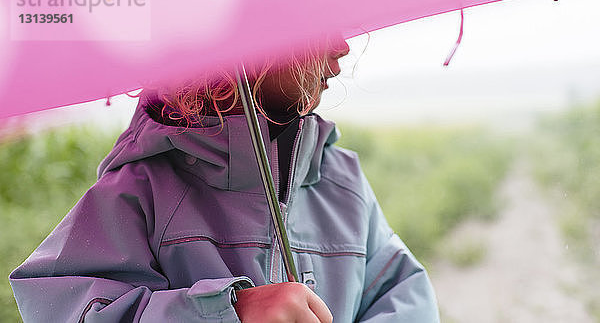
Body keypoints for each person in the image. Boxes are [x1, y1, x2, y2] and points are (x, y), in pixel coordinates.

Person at [10, 36, 440, 322]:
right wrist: (228, 312)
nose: (342, 46)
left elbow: (402, 294)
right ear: (249, 51)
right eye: (318, 24)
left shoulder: (341, 178)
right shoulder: (138, 190)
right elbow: (64, 310)